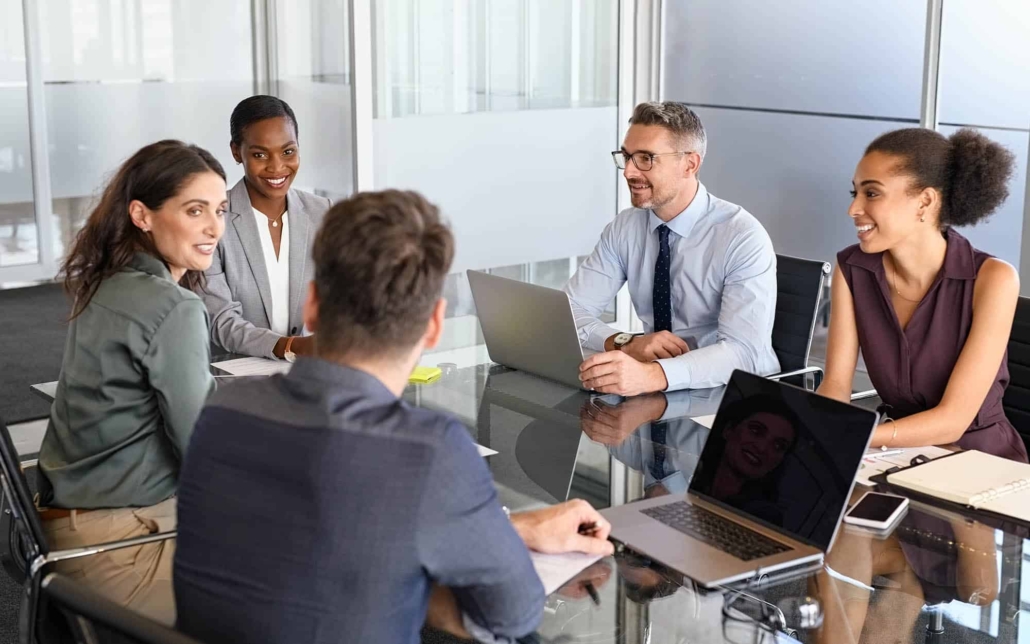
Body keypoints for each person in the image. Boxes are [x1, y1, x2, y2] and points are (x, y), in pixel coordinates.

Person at [173, 190, 614, 644]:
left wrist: (506, 531)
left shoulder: (223, 409)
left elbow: (322, 547)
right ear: (435, 325)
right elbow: (512, 614)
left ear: (312, 305)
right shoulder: (427, 450)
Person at [37, 140, 228, 624]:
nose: (214, 228)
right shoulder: (176, 307)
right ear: (142, 215)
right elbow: (202, 453)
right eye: (194, 210)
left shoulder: (104, 281)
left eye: (220, 210)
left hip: (67, 533)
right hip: (124, 544)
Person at [818, 127, 1028, 462]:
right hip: (894, 456)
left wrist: (856, 435)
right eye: (854, 192)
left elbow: (952, 422)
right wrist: (815, 423)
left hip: (981, 464)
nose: (853, 208)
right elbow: (836, 385)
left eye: (871, 194)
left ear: (925, 201)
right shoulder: (851, 268)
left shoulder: (994, 279)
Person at [566, 101, 779, 396]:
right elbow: (571, 311)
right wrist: (625, 342)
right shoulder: (625, 228)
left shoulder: (741, 236)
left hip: (735, 397)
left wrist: (653, 375)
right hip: (661, 392)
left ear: (689, 164)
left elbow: (744, 353)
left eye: (646, 159)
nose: (628, 172)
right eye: (627, 157)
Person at [200, 95, 331, 360]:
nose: (277, 167)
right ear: (237, 152)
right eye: (260, 154)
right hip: (235, 378)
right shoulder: (212, 221)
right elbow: (220, 321)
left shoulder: (322, 212)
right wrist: (290, 347)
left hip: (309, 373)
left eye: (288, 152)